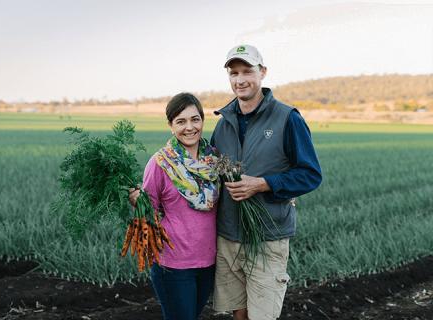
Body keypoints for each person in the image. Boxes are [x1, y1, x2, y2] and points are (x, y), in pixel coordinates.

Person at [211, 44, 322, 320]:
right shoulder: (223, 123)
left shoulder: (287, 118)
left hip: (267, 237)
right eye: (233, 73)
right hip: (228, 236)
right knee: (239, 314)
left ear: (262, 72)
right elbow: (210, 174)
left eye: (247, 70)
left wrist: (262, 184)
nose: (240, 79)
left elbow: (310, 174)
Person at [129, 92, 220, 320]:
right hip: (173, 264)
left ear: (202, 121)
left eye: (194, 119)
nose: (189, 127)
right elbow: (147, 214)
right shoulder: (160, 163)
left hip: (208, 261)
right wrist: (138, 203)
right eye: (181, 121)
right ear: (171, 126)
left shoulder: (214, 161)